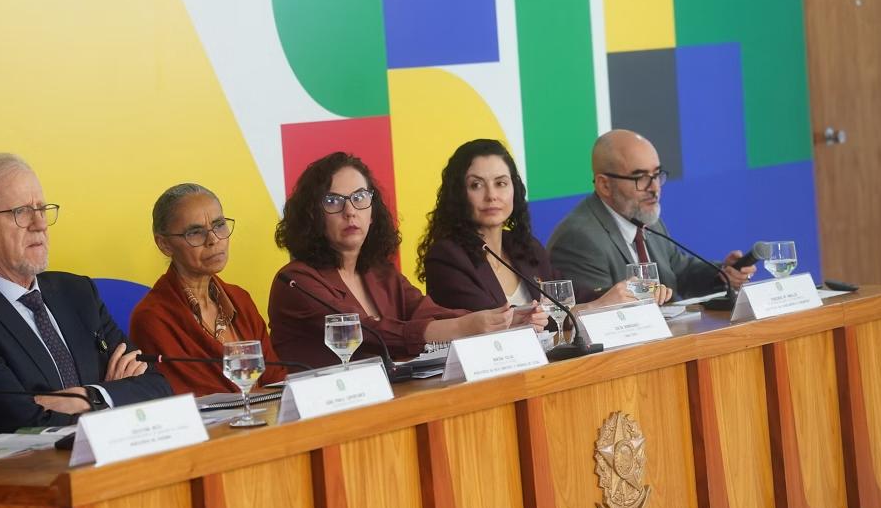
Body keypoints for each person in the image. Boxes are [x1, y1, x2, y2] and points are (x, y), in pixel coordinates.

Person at [0, 154, 170, 446]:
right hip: (25, 482)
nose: (40, 223)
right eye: (21, 211)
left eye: (42, 209)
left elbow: (157, 387)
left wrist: (92, 395)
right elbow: (25, 428)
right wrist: (112, 395)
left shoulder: (77, 293)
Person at [268, 152, 524, 368]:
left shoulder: (378, 271)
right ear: (312, 215)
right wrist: (463, 328)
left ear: (372, 212)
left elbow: (427, 311)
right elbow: (366, 333)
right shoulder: (295, 282)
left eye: (359, 198)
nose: (350, 212)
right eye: (333, 201)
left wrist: (504, 321)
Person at [418, 138, 634, 315]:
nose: (491, 195)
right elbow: (498, 327)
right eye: (476, 185)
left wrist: (624, 294)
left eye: (501, 183)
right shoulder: (447, 258)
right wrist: (592, 309)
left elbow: (572, 295)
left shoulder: (524, 247)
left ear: (515, 190)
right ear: (459, 194)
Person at [547, 130, 755, 302]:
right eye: (641, 178)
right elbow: (599, 315)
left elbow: (678, 272)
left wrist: (722, 273)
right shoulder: (579, 239)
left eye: (656, 175)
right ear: (604, 185)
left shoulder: (644, 217)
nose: (654, 188)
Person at [129, 184, 287, 396]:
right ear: (165, 244)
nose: (213, 240)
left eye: (219, 225)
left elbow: (275, 380)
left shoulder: (240, 299)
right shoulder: (153, 317)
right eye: (195, 232)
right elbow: (193, 398)